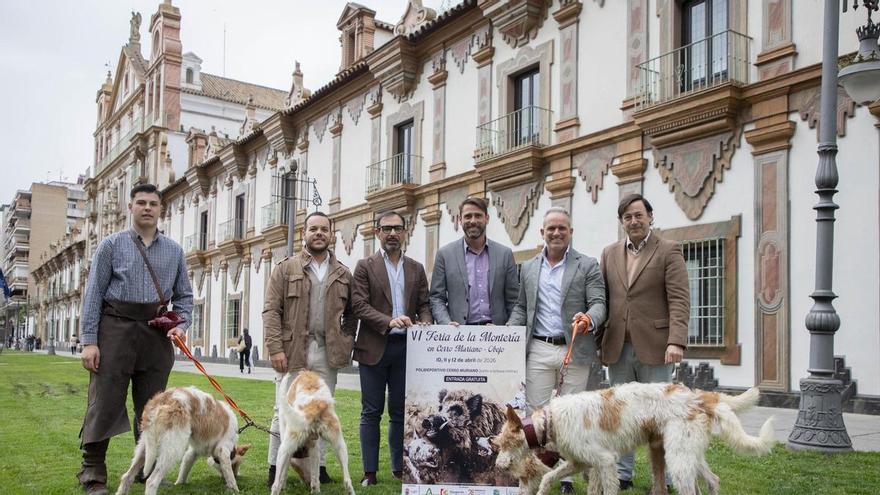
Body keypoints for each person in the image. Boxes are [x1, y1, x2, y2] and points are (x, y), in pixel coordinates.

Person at [76, 183, 192, 495]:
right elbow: (93, 296)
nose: (147, 208)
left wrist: (180, 326)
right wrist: (89, 340)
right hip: (115, 328)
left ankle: (146, 469)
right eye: (140, 202)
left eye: (153, 203)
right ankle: (92, 471)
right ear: (131, 207)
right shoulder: (111, 245)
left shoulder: (175, 251)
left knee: (153, 407)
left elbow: (184, 297)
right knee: (105, 400)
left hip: (155, 333)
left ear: (160, 209)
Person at [507, 206, 606, 495]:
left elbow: (599, 302)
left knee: (570, 419)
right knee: (535, 418)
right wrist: (505, 333)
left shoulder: (586, 265)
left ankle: (567, 479)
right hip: (537, 348)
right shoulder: (527, 267)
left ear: (570, 232)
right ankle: (536, 473)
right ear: (542, 232)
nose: (556, 232)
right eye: (551, 228)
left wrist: (589, 319)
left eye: (562, 227)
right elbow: (522, 308)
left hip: (573, 349)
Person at [598, 193, 690, 491]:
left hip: (657, 347)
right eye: (628, 217)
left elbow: (679, 299)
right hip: (618, 348)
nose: (634, 221)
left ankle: (671, 475)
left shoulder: (668, 250)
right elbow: (605, 300)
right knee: (622, 416)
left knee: (661, 416)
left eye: (639, 215)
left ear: (650, 217)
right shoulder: (609, 254)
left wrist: (676, 341)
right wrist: (600, 341)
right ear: (622, 222)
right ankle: (623, 473)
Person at [263, 211, 358, 488]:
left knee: (322, 410)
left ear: (331, 234)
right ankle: (274, 466)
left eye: (324, 229)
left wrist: (346, 339)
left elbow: (352, 314)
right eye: (313, 229)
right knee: (283, 410)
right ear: (304, 234)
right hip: (293, 351)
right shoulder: (286, 268)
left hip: (327, 352)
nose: (319, 233)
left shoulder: (342, 273)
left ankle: (321, 468)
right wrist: (275, 347)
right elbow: (271, 310)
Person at [351, 211, 432, 486]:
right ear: (377, 233)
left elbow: (423, 304)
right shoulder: (364, 266)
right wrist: (389, 321)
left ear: (405, 232)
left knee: (400, 411)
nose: (393, 233)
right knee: (371, 411)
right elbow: (359, 305)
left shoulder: (416, 268)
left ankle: (399, 468)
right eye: (387, 229)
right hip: (373, 347)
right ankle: (369, 473)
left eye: (398, 228)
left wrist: (426, 323)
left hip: (407, 350)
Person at [429, 197, 519, 326]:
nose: (473, 221)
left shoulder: (505, 254)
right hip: (458, 333)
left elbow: (514, 300)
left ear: (486, 218)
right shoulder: (444, 254)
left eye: (478, 216)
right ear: (460, 220)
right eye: (468, 216)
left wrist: (508, 328)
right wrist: (446, 324)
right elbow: (436, 298)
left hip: (496, 335)